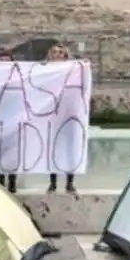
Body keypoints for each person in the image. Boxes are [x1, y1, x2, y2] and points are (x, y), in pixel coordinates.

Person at [44, 43, 76, 194]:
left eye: (60, 52)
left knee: (69, 150)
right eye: (54, 52)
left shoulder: (73, 70)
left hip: (68, 114)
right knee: (53, 150)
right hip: (52, 115)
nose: (57, 55)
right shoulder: (44, 71)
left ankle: (70, 182)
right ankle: (53, 183)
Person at [0, 50, 18, 193]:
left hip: (14, 119)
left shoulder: (18, 77)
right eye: (1, 60)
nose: (4, 63)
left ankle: (12, 181)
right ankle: (0, 182)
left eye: (7, 60)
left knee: (13, 154)